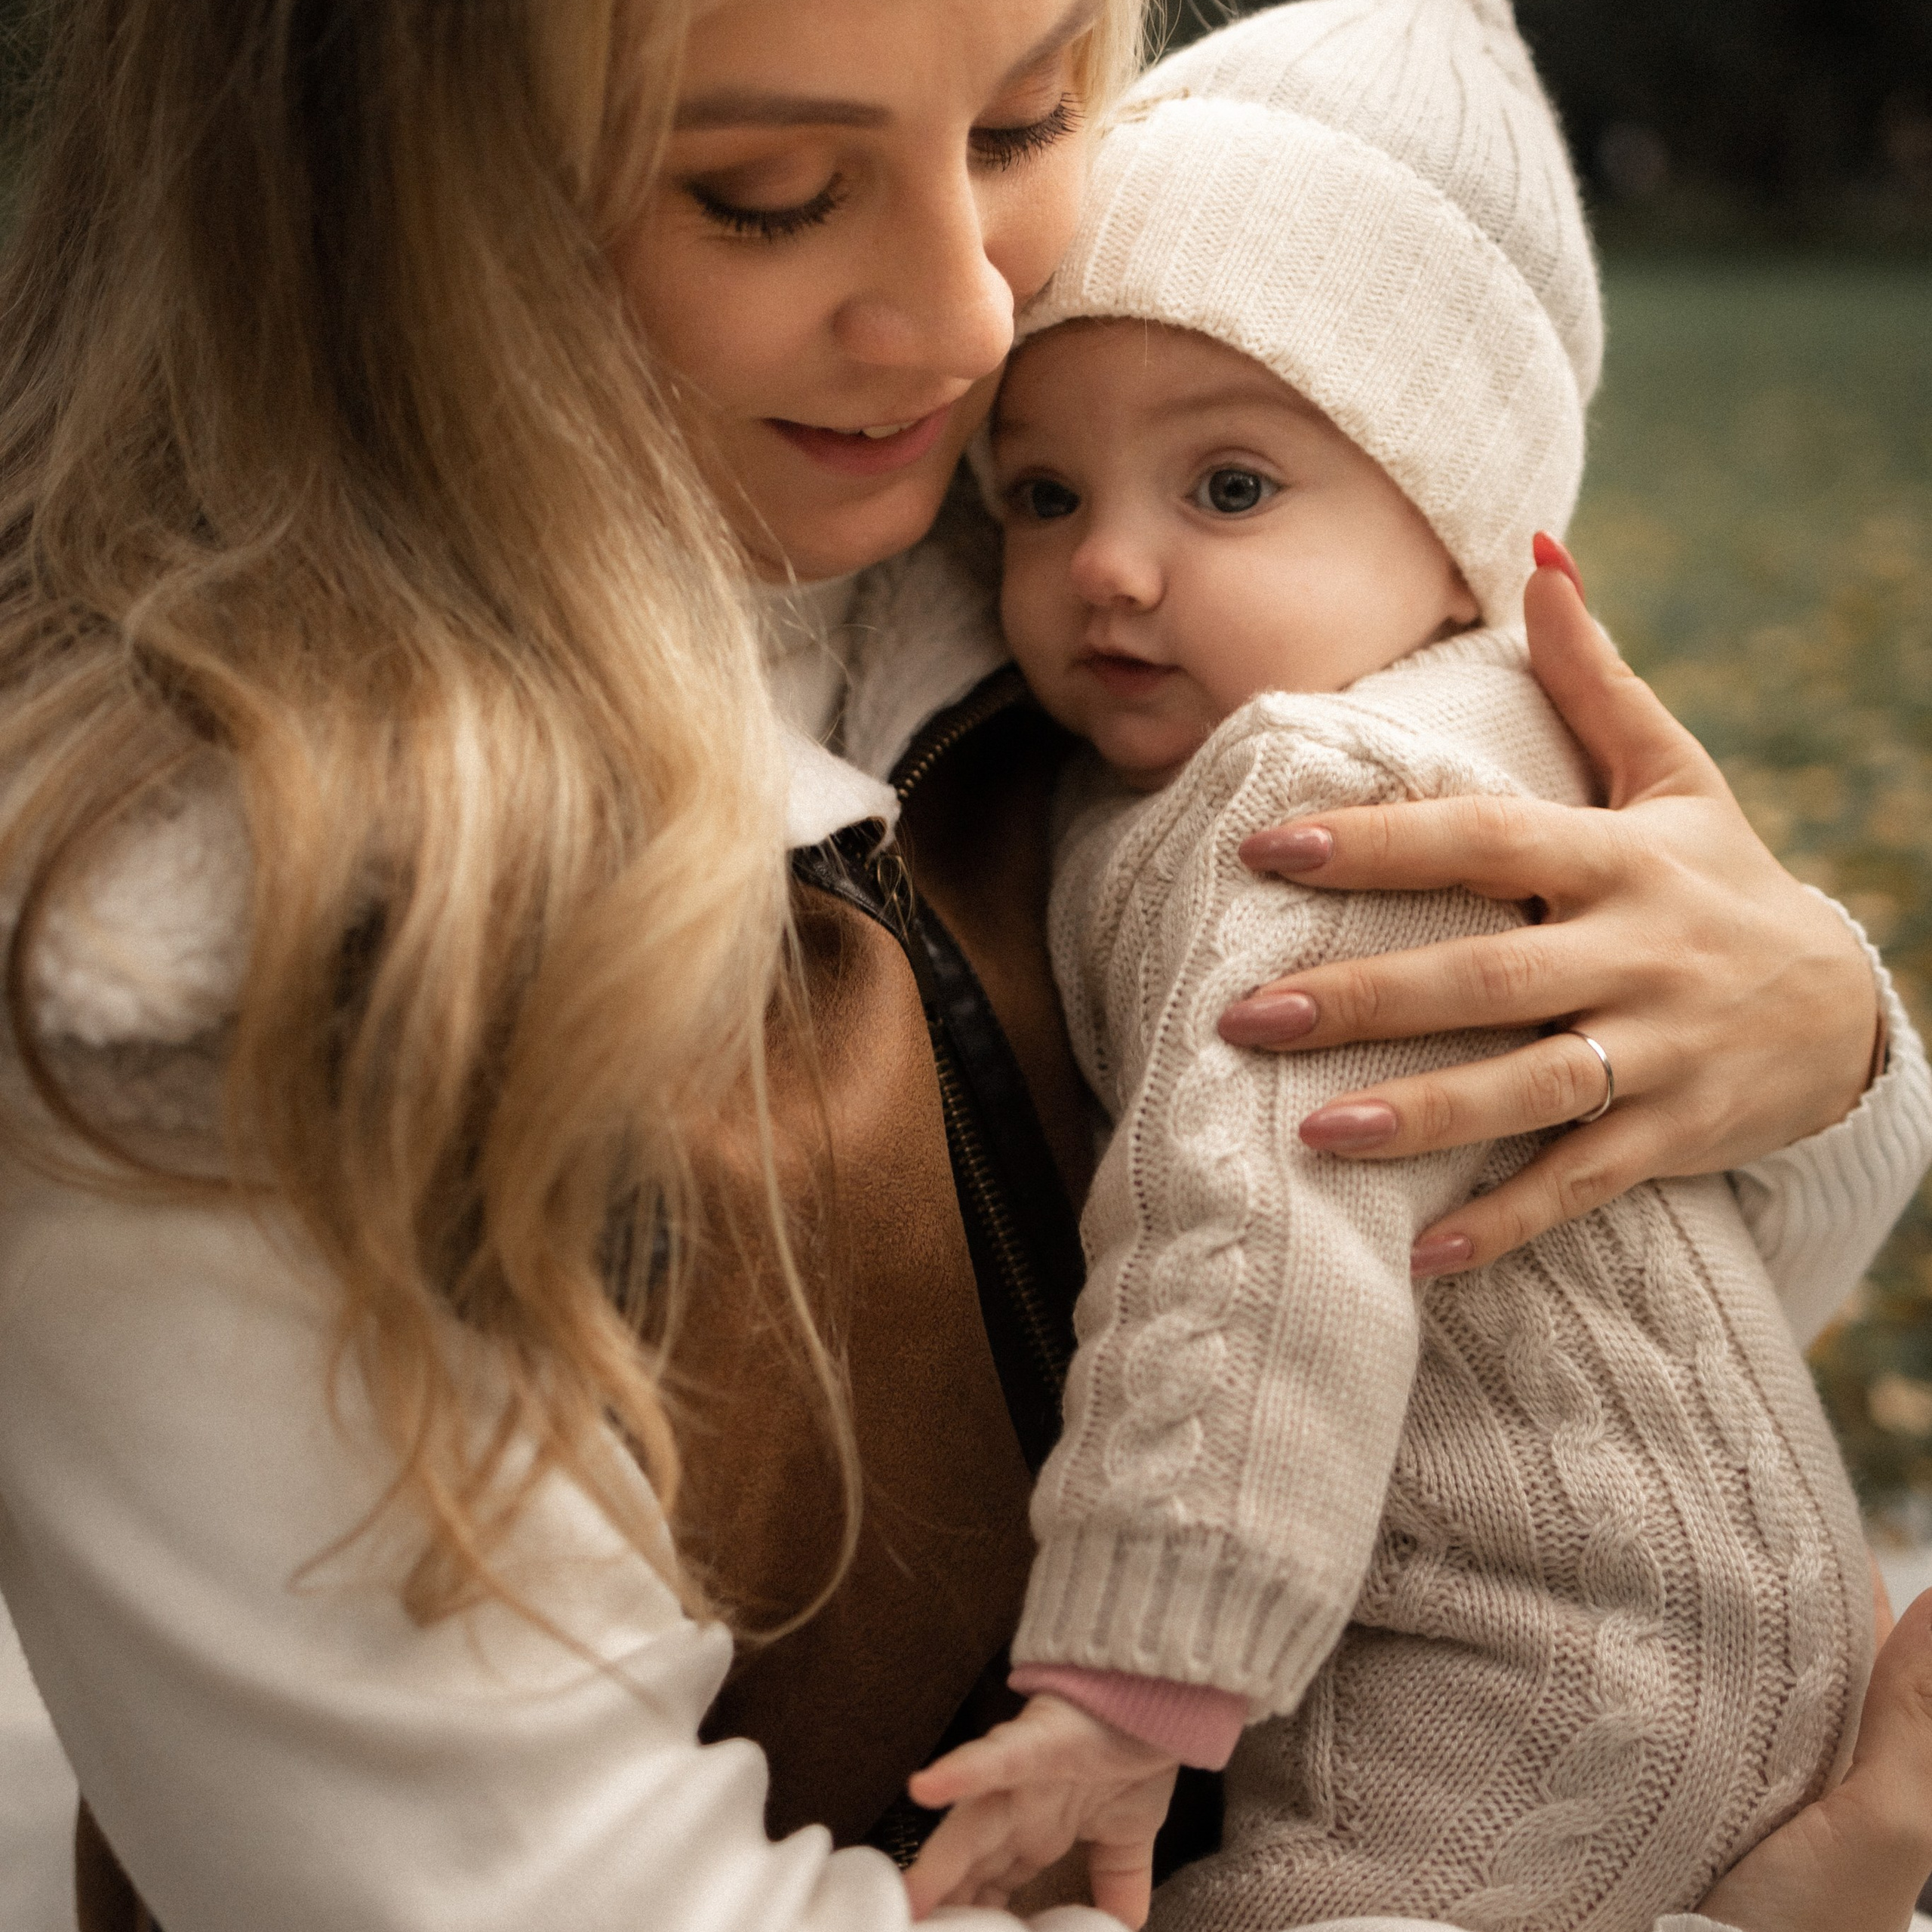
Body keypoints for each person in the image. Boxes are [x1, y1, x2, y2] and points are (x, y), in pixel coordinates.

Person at [0, 3, 1929, 1931]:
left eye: (1022, 127)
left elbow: (1583, 1329)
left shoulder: (1021, 542)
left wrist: (1812, 1039)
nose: (968, 323)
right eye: (767, 193)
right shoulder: (212, 977)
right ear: (367, 213)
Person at [897, 5, 1909, 1928]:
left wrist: (1131, 1678)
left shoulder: (1320, 803)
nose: (1107, 565)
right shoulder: (1407, 723)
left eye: (1226, 489)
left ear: (1456, 541)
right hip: (1666, 1603)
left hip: (1548, 1667)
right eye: (1042, 493)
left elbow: (1253, 1230)